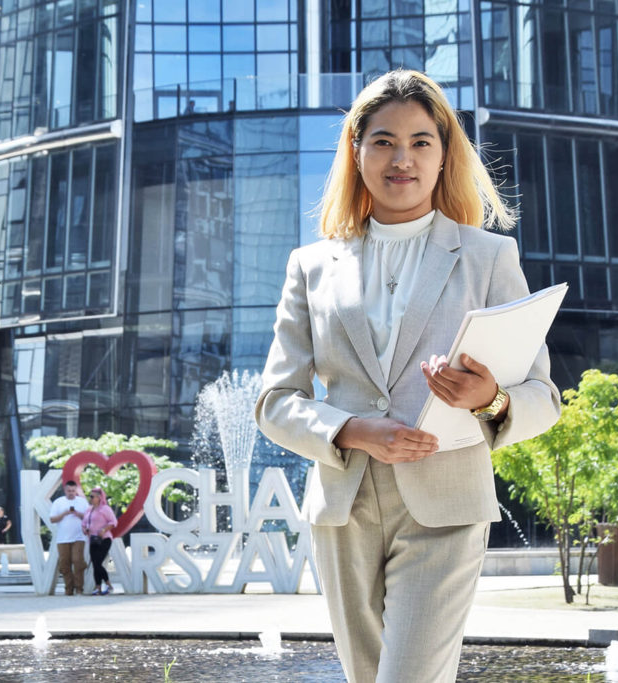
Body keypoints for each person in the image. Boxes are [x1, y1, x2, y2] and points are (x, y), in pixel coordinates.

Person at [254, 70, 561, 683]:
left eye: (422, 141)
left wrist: (490, 399)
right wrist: (353, 430)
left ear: (445, 155)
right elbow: (274, 402)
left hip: (445, 504)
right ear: (356, 150)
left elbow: (543, 397)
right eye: (384, 141)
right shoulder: (311, 265)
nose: (403, 158)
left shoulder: (488, 256)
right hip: (343, 509)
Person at [48, 480, 89, 595]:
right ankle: (69, 588)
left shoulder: (82, 502)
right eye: (68, 491)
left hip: (79, 537)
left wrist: (77, 514)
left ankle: (79, 588)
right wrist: (64, 514)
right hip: (62, 538)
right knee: (64, 563)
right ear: (64, 490)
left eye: (73, 491)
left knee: (77, 561)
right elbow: (52, 519)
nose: (71, 493)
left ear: (76, 491)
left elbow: (88, 518)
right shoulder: (58, 502)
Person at [81, 486, 118, 595]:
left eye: (92, 496)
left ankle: (108, 585)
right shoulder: (89, 509)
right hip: (92, 539)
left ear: (99, 498)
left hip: (104, 539)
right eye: (90, 496)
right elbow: (83, 523)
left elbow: (113, 522)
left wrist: (104, 529)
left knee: (97, 563)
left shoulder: (105, 509)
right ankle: (98, 587)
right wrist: (85, 529)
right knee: (95, 564)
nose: (90, 498)